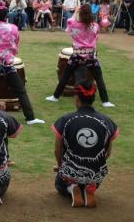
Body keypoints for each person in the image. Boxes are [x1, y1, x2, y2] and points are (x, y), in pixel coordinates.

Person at [52, 79, 118, 208]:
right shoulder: (107, 121)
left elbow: (57, 151)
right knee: (91, 180)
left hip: (70, 175)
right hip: (95, 176)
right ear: (93, 98)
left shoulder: (65, 120)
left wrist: (61, 166)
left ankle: (72, 188)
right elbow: (108, 152)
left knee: (59, 184)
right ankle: (90, 188)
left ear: (77, 99)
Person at [46, 4, 115, 107]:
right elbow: (96, 39)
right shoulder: (95, 26)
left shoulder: (74, 24)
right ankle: (105, 101)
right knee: (99, 78)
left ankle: (55, 97)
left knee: (65, 76)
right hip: (91, 55)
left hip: (77, 55)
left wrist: (75, 12)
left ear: (80, 14)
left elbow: (68, 25)